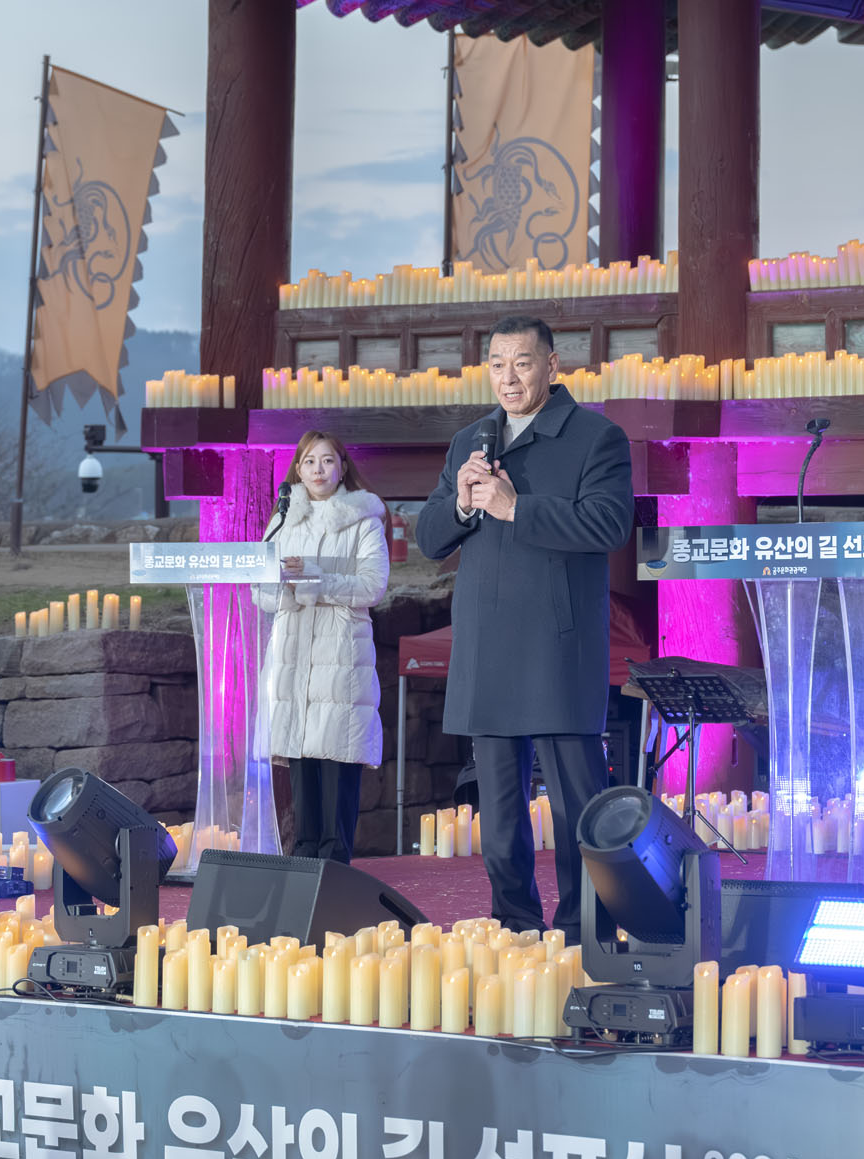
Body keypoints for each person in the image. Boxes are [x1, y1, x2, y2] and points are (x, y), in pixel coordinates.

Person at [414, 315, 633, 939]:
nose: (508, 378)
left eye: (523, 363)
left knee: (575, 805)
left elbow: (610, 525)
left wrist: (517, 508)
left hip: (556, 647)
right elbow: (429, 538)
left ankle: (584, 929)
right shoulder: (471, 441)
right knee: (500, 808)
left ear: (552, 366)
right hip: (486, 645)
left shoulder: (596, 437)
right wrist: (462, 503)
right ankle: (514, 924)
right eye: (497, 364)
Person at [257, 431, 390, 862]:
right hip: (294, 656)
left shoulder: (363, 519)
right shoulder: (283, 520)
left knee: (336, 758)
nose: (318, 470)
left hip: (340, 656)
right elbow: (260, 590)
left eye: (328, 461)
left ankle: (334, 867)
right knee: (302, 764)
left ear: (342, 467)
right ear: (298, 469)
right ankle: (303, 860)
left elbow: (373, 586)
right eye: (310, 461)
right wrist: (284, 586)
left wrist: (313, 577)